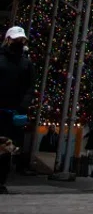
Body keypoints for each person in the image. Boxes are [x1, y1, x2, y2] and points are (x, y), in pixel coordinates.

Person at [0, 26, 34, 195]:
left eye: (21, 40)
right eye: (16, 39)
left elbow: (29, 87)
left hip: (13, 111)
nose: (19, 42)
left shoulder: (26, 63)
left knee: (6, 149)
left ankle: (1, 181)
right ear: (8, 40)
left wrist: (23, 106)